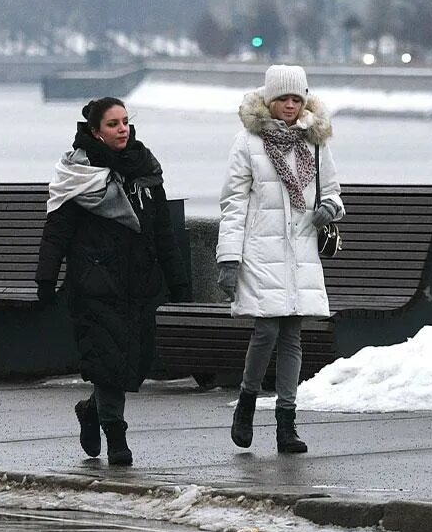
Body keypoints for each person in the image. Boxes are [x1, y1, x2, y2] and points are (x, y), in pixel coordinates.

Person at [36, 97, 191, 467]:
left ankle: (90, 410)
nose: (122, 129)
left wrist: (179, 282)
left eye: (125, 122)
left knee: (130, 363)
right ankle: (115, 435)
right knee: (107, 360)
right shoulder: (78, 176)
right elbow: (56, 232)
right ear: (94, 131)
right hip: (94, 284)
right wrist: (46, 279)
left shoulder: (145, 171)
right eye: (112, 124)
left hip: (140, 283)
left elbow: (163, 233)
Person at [215, 65, 342, 455]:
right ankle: (247, 402)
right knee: (266, 330)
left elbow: (333, 192)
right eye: (283, 99)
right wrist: (229, 257)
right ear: (269, 100)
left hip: (300, 249)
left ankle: (287, 423)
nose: (290, 106)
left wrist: (328, 209)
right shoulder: (247, 142)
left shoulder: (315, 141)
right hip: (260, 250)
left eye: (296, 99)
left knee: (292, 335)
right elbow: (234, 203)